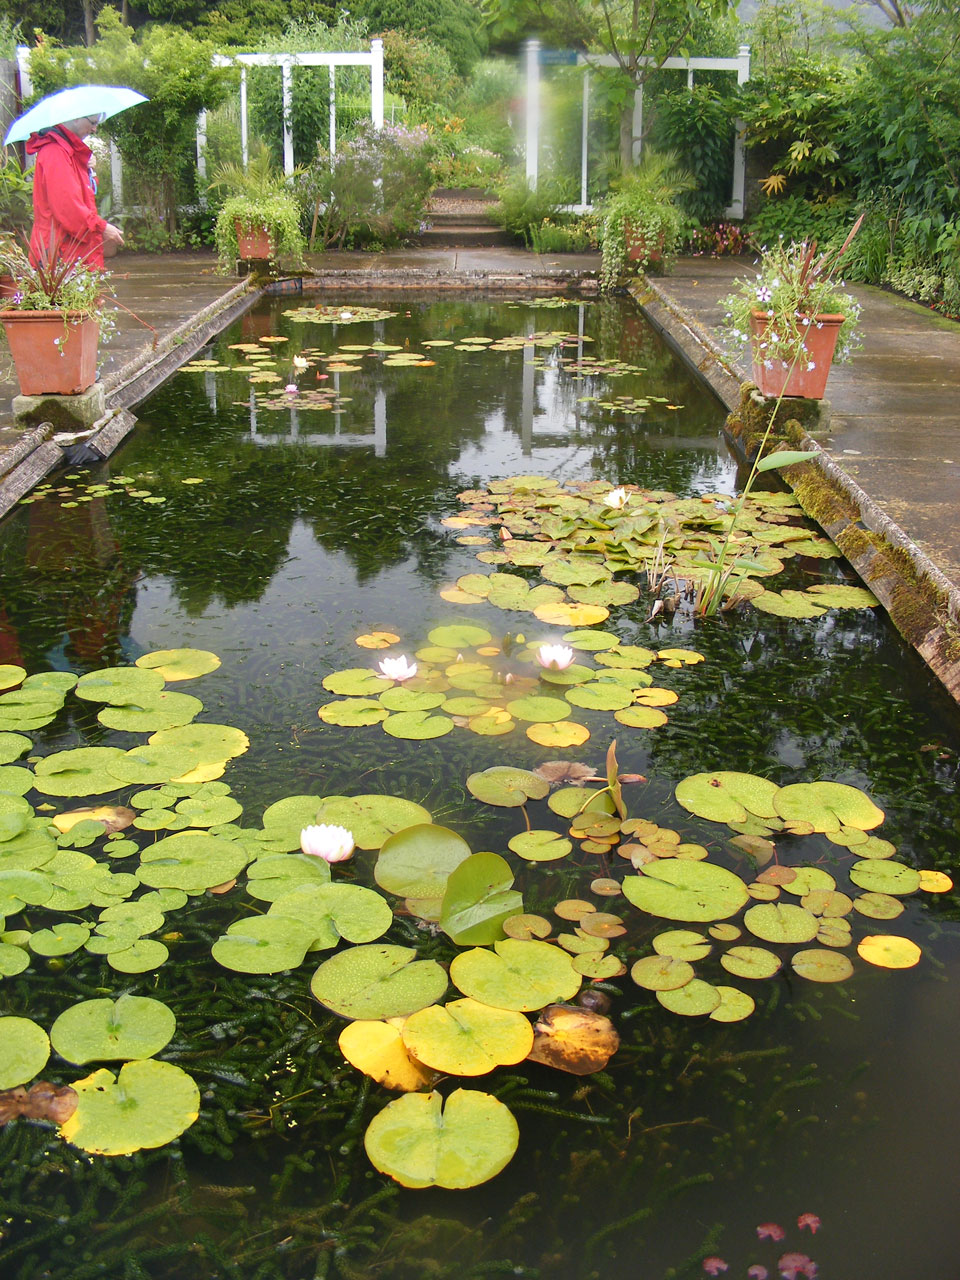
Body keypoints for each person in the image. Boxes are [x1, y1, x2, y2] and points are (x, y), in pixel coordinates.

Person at [26, 112, 124, 270]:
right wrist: (101, 227)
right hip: (61, 252)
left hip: (69, 249)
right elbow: (68, 208)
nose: (94, 129)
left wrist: (86, 168)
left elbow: (85, 192)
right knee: (64, 295)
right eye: (93, 122)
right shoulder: (56, 153)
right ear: (76, 117)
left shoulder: (68, 152)